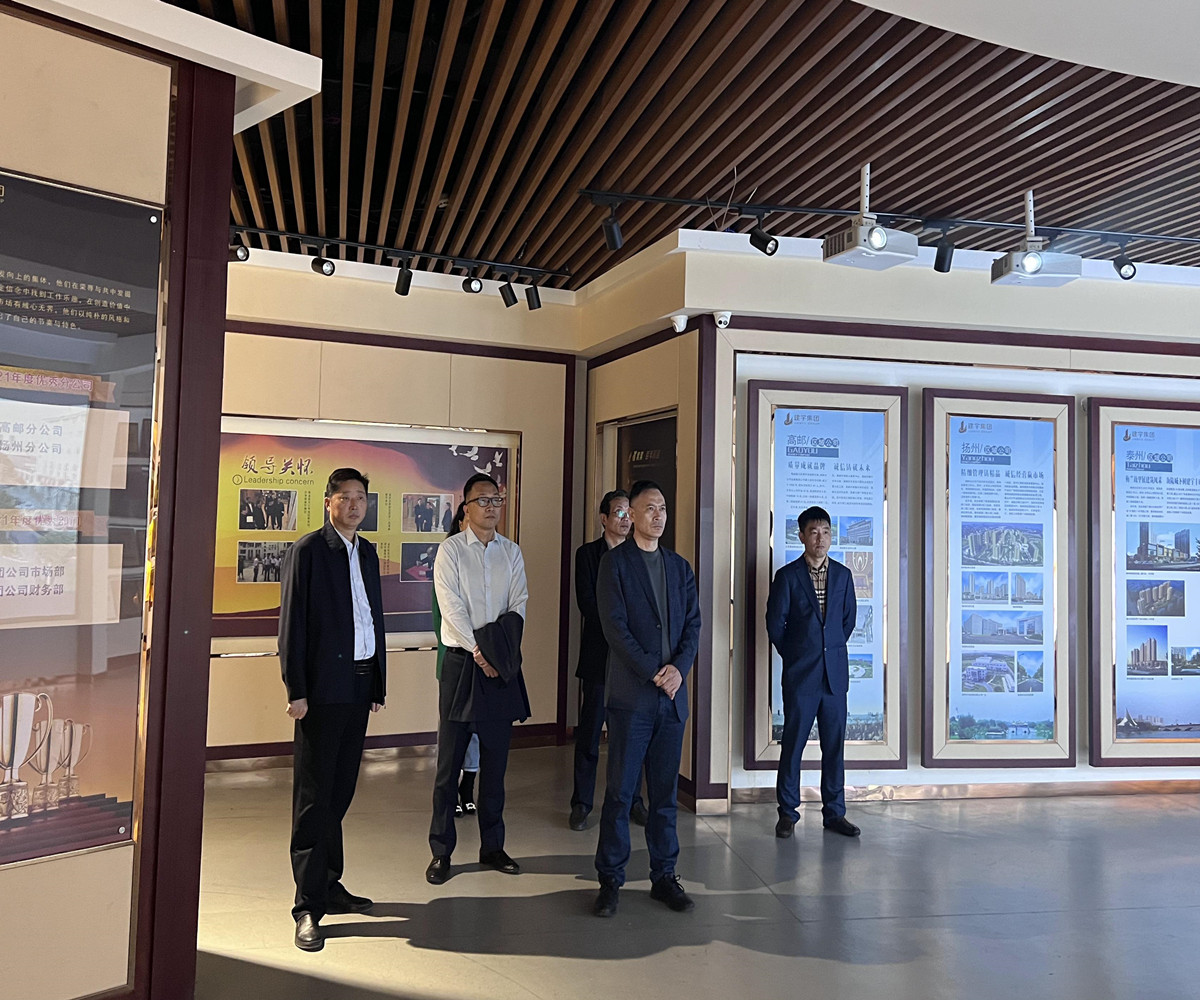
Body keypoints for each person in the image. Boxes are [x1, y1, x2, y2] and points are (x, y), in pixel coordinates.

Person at [278, 467, 386, 952]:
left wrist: (378, 682)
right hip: (321, 691)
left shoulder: (367, 552)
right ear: (328, 503)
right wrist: (296, 689)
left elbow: (372, 619)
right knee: (313, 799)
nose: (354, 505)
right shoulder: (308, 551)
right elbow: (292, 625)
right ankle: (307, 906)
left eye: (360, 497)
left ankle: (330, 883)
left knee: (340, 792)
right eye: (345, 497)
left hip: (359, 686)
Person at [592, 480, 701, 917]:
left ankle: (664, 876)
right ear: (630, 515)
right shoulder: (614, 565)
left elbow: (693, 625)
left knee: (664, 795)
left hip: (671, 700)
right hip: (632, 698)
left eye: (663, 508)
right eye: (649, 508)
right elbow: (614, 628)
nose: (658, 515)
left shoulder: (679, 567)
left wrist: (678, 669)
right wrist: (654, 671)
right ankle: (610, 880)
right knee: (621, 793)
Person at [427, 473, 529, 885]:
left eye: (496, 500)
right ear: (466, 507)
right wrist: (478, 650)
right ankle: (441, 851)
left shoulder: (511, 552)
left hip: (499, 666)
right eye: (482, 500)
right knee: (448, 765)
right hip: (461, 664)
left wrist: (494, 655)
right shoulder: (450, 551)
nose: (491, 507)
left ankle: (493, 846)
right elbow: (450, 607)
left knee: (496, 763)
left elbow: (518, 605)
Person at [765, 505, 860, 840]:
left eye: (826, 532)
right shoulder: (787, 577)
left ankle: (835, 813)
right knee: (793, 745)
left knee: (834, 747)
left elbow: (847, 622)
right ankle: (787, 813)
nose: (820, 539)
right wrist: (797, 655)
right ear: (802, 536)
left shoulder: (843, 576)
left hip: (834, 677)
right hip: (801, 676)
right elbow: (775, 624)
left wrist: (827, 650)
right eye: (814, 532)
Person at [569, 490, 647, 831]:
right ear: (604, 518)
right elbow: (588, 604)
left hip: (632, 663)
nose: (626, 519)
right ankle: (582, 804)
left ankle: (633, 800)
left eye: (629, 513)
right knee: (589, 735)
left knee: (629, 736)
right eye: (619, 513)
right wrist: (622, 627)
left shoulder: (641, 554)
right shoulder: (587, 555)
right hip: (599, 657)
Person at [431, 501, 479, 818]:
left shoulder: (496, 556)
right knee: (452, 732)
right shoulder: (447, 556)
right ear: (460, 522)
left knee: (476, 732)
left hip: (485, 661)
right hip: (455, 658)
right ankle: (451, 794)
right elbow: (442, 618)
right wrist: (468, 647)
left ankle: (468, 789)